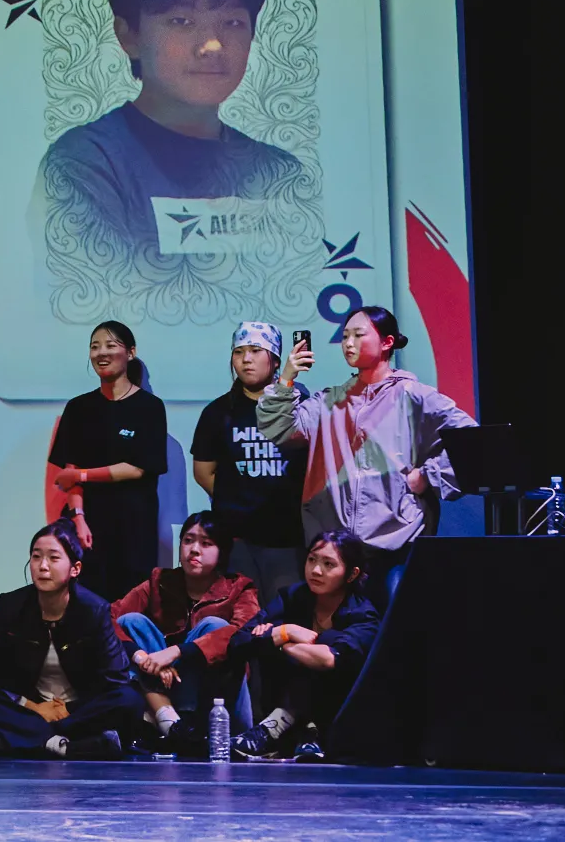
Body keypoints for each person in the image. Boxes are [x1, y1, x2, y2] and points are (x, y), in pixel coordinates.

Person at [37, 0, 302, 254]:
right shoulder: (85, 164)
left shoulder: (279, 173)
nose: (213, 45)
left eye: (232, 22)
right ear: (129, 36)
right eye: (182, 21)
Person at [258, 305, 478, 594]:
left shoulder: (412, 396)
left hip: (396, 545)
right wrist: (286, 378)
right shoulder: (330, 401)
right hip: (336, 552)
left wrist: (427, 475)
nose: (348, 343)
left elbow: (471, 440)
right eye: (345, 336)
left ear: (387, 342)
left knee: (394, 618)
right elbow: (279, 428)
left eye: (358, 335)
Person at [0, 521, 142, 760]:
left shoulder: (94, 610)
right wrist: (31, 706)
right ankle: (64, 744)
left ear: (75, 568)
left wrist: (67, 710)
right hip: (29, 707)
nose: (42, 566)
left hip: (77, 710)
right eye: (36, 557)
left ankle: (31, 738)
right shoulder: (12, 606)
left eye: (53, 558)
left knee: (129, 700)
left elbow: (116, 679)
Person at [109, 511, 258, 751]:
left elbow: (245, 634)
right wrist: (142, 656)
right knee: (131, 621)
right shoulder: (159, 580)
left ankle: (182, 722)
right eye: (188, 541)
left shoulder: (239, 588)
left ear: (222, 551)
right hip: (166, 691)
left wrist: (176, 652)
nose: (194, 550)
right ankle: (172, 721)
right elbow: (108, 618)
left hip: (218, 704)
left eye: (206, 543)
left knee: (215, 626)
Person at [231, 530, 381, 762]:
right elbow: (238, 642)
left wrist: (279, 642)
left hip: (337, 718)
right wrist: (286, 631)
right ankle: (298, 731)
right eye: (312, 559)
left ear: (352, 574)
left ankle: (285, 730)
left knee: (327, 642)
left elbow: (328, 659)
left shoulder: (363, 615)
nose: (316, 570)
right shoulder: (292, 597)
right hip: (280, 702)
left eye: (329, 564)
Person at [47, 321, 168, 601]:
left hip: (134, 527)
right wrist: (78, 518)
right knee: (85, 602)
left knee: (130, 604)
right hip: (88, 525)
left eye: (111, 345)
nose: (101, 353)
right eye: (95, 346)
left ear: (131, 352)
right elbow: (70, 468)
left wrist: (82, 476)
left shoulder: (150, 407)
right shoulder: (78, 407)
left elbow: (138, 469)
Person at [191, 322, 308, 600]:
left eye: (256, 350)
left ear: (276, 359)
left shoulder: (301, 405)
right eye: (239, 352)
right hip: (236, 540)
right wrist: (237, 499)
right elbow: (203, 472)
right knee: (241, 614)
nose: (246, 359)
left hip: (289, 538)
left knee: (284, 612)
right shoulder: (217, 412)